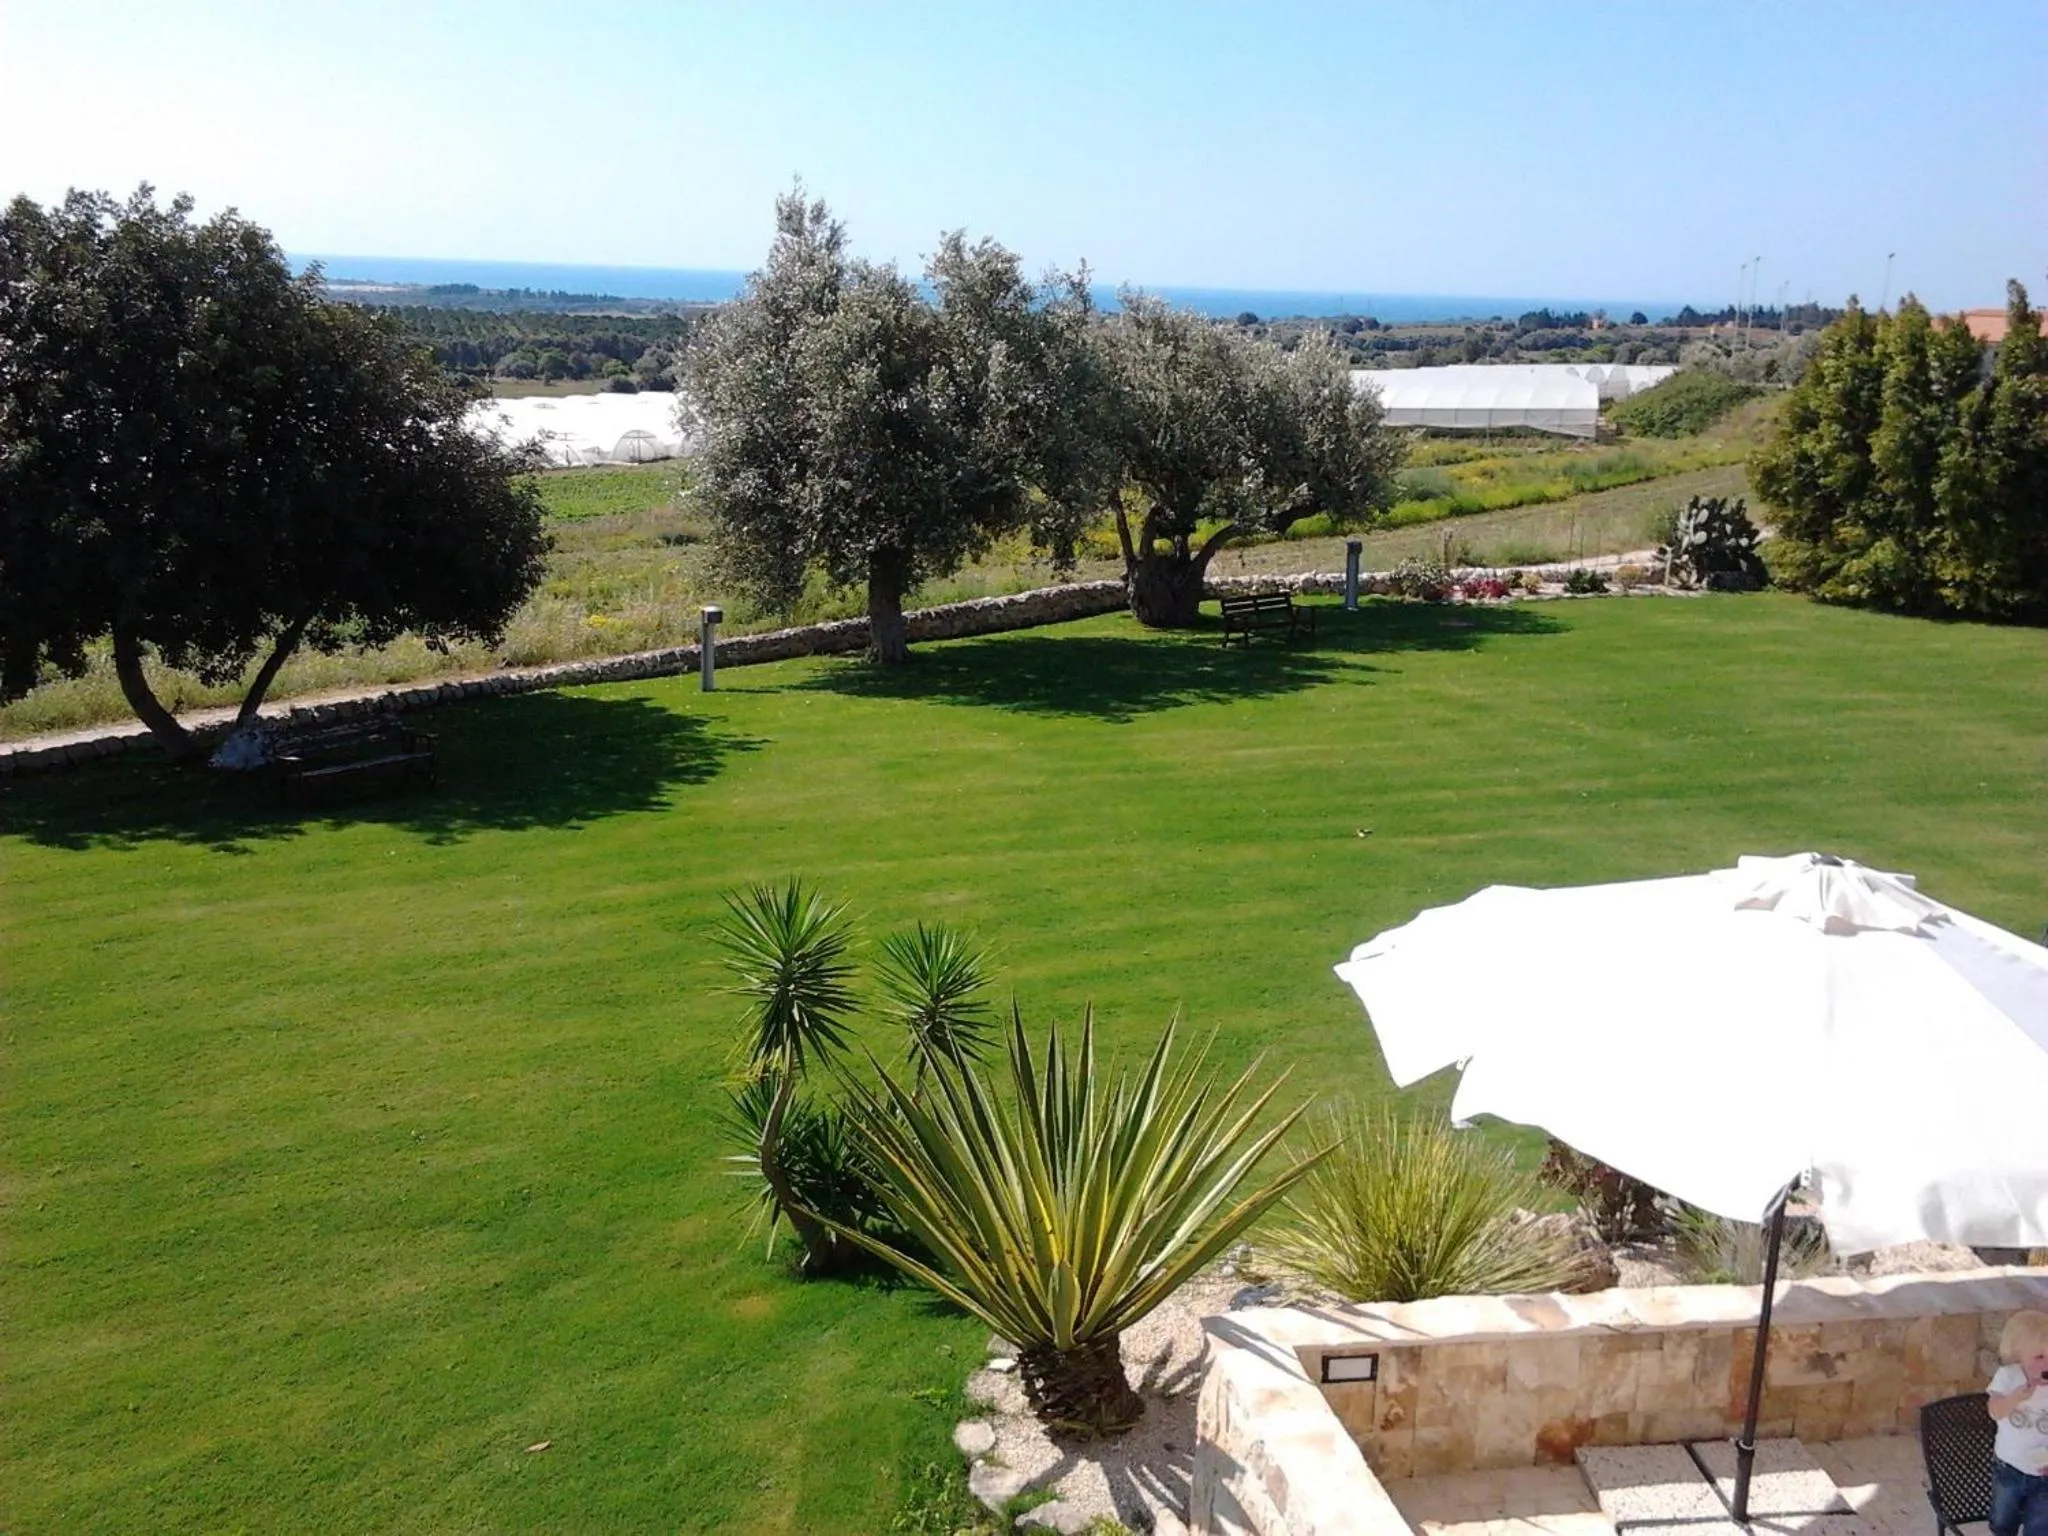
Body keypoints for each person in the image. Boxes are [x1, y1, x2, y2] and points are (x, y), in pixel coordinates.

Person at [1989, 1311, 2048, 1536]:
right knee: (2002, 1522)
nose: (2047, 1363)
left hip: (2044, 1472)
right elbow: (1994, 1411)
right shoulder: (2008, 1377)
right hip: (2010, 1466)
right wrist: (2015, 1398)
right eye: (2039, 1357)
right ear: (2018, 1355)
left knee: (2041, 1527)